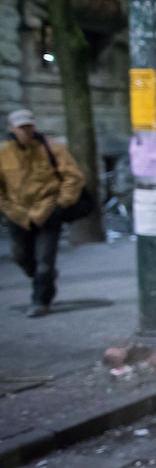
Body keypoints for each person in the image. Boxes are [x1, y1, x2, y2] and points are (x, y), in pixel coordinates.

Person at [0, 109, 84, 318]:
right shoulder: (3, 153)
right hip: (18, 214)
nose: (26, 131)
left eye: (29, 126)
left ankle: (40, 300)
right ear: (11, 129)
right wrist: (7, 208)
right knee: (20, 256)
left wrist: (62, 202)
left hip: (47, 211)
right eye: (21, 127)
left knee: (45, 260)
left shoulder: (51, 148)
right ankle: (41, 277)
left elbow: (73, 176)